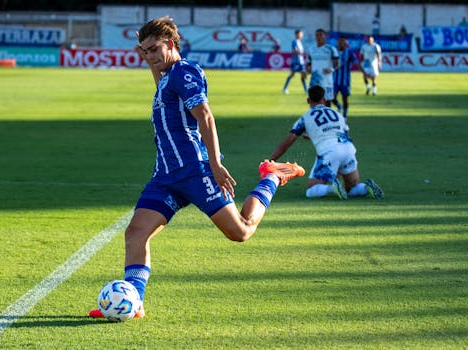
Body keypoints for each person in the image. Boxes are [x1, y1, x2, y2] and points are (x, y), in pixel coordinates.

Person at [88, 16, 305, 320]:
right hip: (165, 176)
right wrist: (150, 53)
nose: (149, 56)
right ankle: (134, 302)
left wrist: (215, 165)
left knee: (240, 231)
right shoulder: (165, 75)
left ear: (171, 44)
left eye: (154, 49)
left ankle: (272, 176)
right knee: (136, 233)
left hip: (195, 171)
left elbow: (206, 117)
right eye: (144, 51)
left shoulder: (184, 72)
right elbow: (158, 72)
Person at [267, 85, 384, 200]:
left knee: (310, 190)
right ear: (324, 100)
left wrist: (270, 161)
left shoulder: (305, 118)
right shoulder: (338, 114)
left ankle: (332, 189)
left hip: (329, 152)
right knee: (351, 188)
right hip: (348, 148)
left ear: (308, 100)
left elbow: (287, 143)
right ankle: (365, 187)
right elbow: (345, 135)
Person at [306, 28, 339, 107]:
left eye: (321, 35)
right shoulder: (311, 49)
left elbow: (337, 64)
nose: (319, 37)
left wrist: (331, 69)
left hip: (327, 81)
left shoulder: (331, 49)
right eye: (317, 35)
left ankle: (328, 118)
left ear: (325, 36)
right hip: (314, 81)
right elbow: (309, 63)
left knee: (327, 103)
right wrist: (308, 69)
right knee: (313, 102)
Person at [332, 37, 358, 120]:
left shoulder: (349, 52)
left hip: (345, 80)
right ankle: (339, 106)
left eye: (342, 43)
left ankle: (345, 115)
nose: (340, 44)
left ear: (345, 44)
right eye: (339, 42)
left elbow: (355, 62)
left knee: (345, 99)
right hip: (335, 80)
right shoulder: (334, 51)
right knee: (331, 97)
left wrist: (363, 71)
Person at [283, 29, 307, 94]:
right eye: (300, 34)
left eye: (301, 34)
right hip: (296, 62)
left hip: (301, 62)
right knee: (292, 75)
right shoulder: (295, 41)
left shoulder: (300, 42)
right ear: (297, 34)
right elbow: (295, 50)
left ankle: (306, 90)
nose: (301, 35)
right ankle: (285, 89)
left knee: (303, 75)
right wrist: (302, 53)